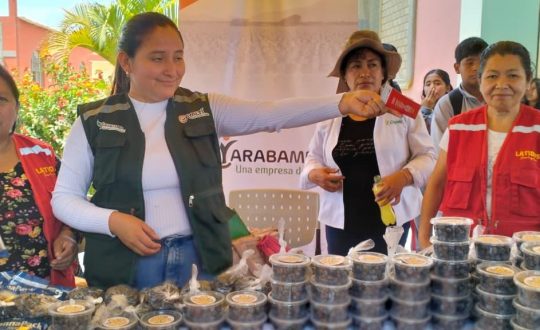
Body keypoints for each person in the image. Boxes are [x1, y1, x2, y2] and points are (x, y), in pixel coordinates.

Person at [51, 13, 391, 289]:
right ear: (126, 62)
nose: (172, 69)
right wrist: (112, 220)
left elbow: (270, 113)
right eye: (158, 58)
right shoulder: (94, 121)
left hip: (199, 258)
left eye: (178, 57)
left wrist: (341, 102)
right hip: (126, 265)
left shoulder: (204, 108)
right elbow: (64, 199)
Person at [299, 30, 436, 255]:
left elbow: (428, 156)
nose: (365, 72)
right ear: (345, 75)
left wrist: (404, 176)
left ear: (383, 74)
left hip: (391, 220)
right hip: (340, 221)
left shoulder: (404, 109)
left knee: (388, 283)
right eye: (355, 66)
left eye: (372, 65)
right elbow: (312, 157)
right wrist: (314, 173)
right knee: (340, 282)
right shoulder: (332, 112)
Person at [419, 41, 540, 248]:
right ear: (481, 80)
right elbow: (436, 184)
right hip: (459, 249)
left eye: (513, 75)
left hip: (523, 253)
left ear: (528, 80)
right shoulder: (459, 127)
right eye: (492, 76)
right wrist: (423, 239)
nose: (501, 84)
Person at [0, 65, 77, 287]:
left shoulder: (42, 154)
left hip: (45, 294)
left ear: (16, 106)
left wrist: (69, 235)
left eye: (1, 99)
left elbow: (73, 202)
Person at [431, 37, 488, 153]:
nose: (476, 68)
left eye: (482, 62)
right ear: (457, 68)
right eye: (470, 63)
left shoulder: (498, 100)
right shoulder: (448, 104)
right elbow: (439, 152)